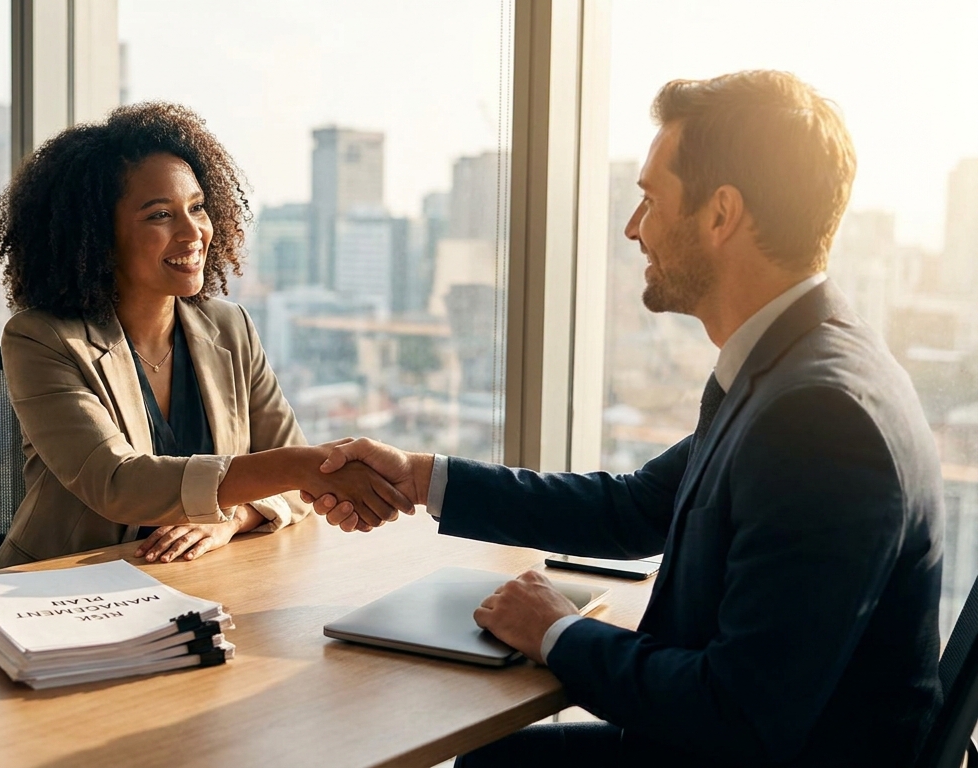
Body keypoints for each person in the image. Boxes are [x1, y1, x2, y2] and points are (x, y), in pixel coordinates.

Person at [308, 71, 943, 766]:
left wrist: (556, 632)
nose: (633, 228)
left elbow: (739, 714)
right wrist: (423, 477)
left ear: (720, 214)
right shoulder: (798, 362)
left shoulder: (820, 418)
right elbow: (638, 507)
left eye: (650, 199)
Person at [0, 102, 407, 569]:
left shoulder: (231, 328)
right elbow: (117, 484)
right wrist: (302, 465)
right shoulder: (41, 339)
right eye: (160, 215)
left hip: (200, 581)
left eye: (198, 207)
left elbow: (295, 491)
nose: (193, 233)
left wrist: (233, 517)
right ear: (96, 235)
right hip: (62, 585)